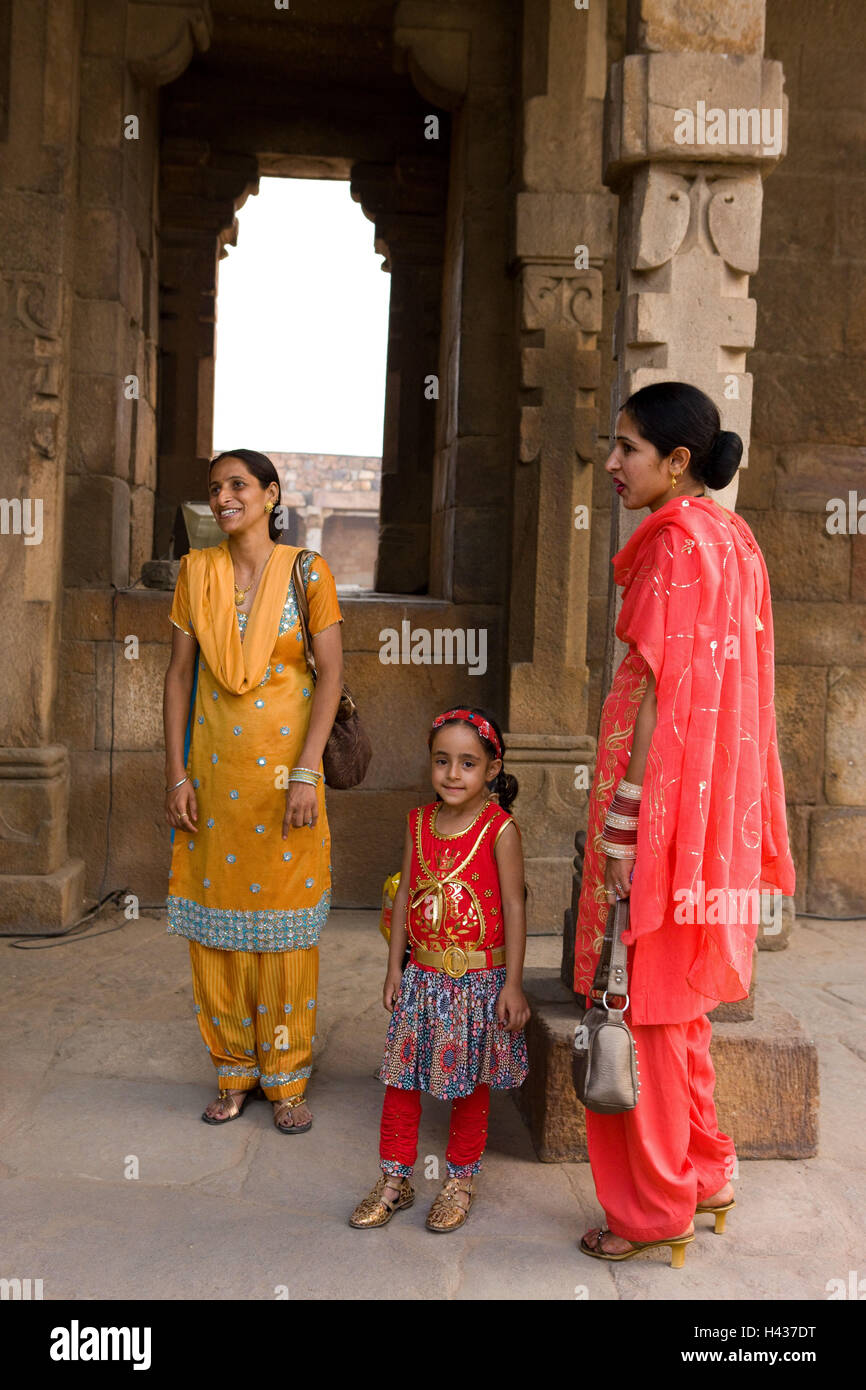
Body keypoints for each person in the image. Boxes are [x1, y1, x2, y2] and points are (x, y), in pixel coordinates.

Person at [575, 382, 795, 1267]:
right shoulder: (731, 539)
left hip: (664, 816)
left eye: (628, 448)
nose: (612, 462)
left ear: (676, 462)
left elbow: (665, 695)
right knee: (684, 1011)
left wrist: (625, 827)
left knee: (650, 1011)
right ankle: (706, 1174)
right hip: (709, 818)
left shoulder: (675, 546)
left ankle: (653, 1210)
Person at [163, 448, 344, 1134]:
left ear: (270, 494)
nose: (224, 497)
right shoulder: (196, 572)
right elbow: (179, 678)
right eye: (215, 488)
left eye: (238, 485)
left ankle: (287, 1076)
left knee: (286, 934)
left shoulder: (308, 571)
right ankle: (234, 1072)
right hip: (213, 781)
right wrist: (176, 774)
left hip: (288, 781)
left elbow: (329, 675)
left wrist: (307, 769)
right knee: (215, 931)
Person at [349, 707, 531, 1232]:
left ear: (492, 770)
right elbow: (405, 893)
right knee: (401, 1081)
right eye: (442, 761)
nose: (453, 774)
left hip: (479, 983)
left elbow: (515, 906)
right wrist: (394, 969)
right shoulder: (417, 822)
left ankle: (460, 1180)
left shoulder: (501, 830)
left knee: (468, 1085)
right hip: (423, 979)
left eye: (468, 764)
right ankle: (394, 1180)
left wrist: (513, 984)